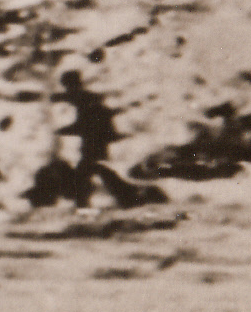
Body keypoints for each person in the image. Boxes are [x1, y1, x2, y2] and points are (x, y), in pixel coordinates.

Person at [28, 70, 158, 208]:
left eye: (68, 85)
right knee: (89, 172)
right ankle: (122, 197)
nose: (69, 89)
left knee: (88, 172)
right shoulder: (88, 98)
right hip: (96, 143)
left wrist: (64, 129)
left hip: (94, 143)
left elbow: (84, 122)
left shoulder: (84, 98)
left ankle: (122, 198)